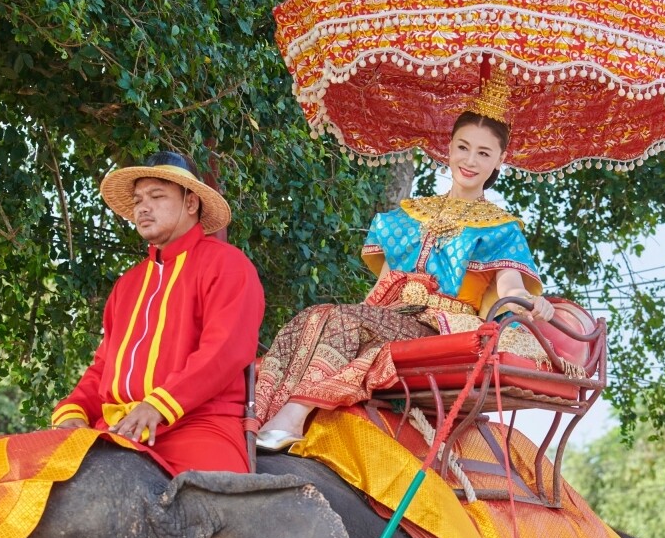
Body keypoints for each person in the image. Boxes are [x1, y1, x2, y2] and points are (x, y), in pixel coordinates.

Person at [254, 91, 555, 451]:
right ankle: (257, 412)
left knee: (342, 320)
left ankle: (292, 415)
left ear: (499, 161)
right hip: (392, 313)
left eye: (484, 153)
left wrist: (532, 303)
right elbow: (383, 285)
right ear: (449, 147)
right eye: (463, 147)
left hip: (441, 326)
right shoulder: (408, 214)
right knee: (317, 315)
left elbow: (510, 290)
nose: (470, 160)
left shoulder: (502, 228)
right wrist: (368, 313)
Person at [51, 151, 265, 474]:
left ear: (190, 203)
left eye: (156, 196)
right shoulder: (127, 285)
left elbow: (224, 351)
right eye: (138, 200)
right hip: (118, 430)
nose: (143, 207)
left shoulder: (229, 266)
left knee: (227, 511)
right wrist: (74, 410)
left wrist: (158, 405)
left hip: (199, 428)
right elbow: (103, 369)